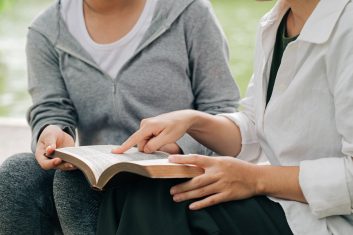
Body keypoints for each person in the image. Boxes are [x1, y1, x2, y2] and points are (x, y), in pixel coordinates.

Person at [97, 0, 353, 234]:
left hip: (326, 220)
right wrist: (193, 121)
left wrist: (256, 179)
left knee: (160, 203)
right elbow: (257, 125)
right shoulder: (278, 20)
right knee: (129, 188)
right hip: (281, 202)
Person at [0, 0, 240, 234]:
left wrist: (178, 145)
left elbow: (223, 112)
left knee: (73, 186)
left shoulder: (190, 12)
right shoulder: (47, 29)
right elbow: (51, 106)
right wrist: (52, 130)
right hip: (99, 176)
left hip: (171, 177)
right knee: (19, 174)